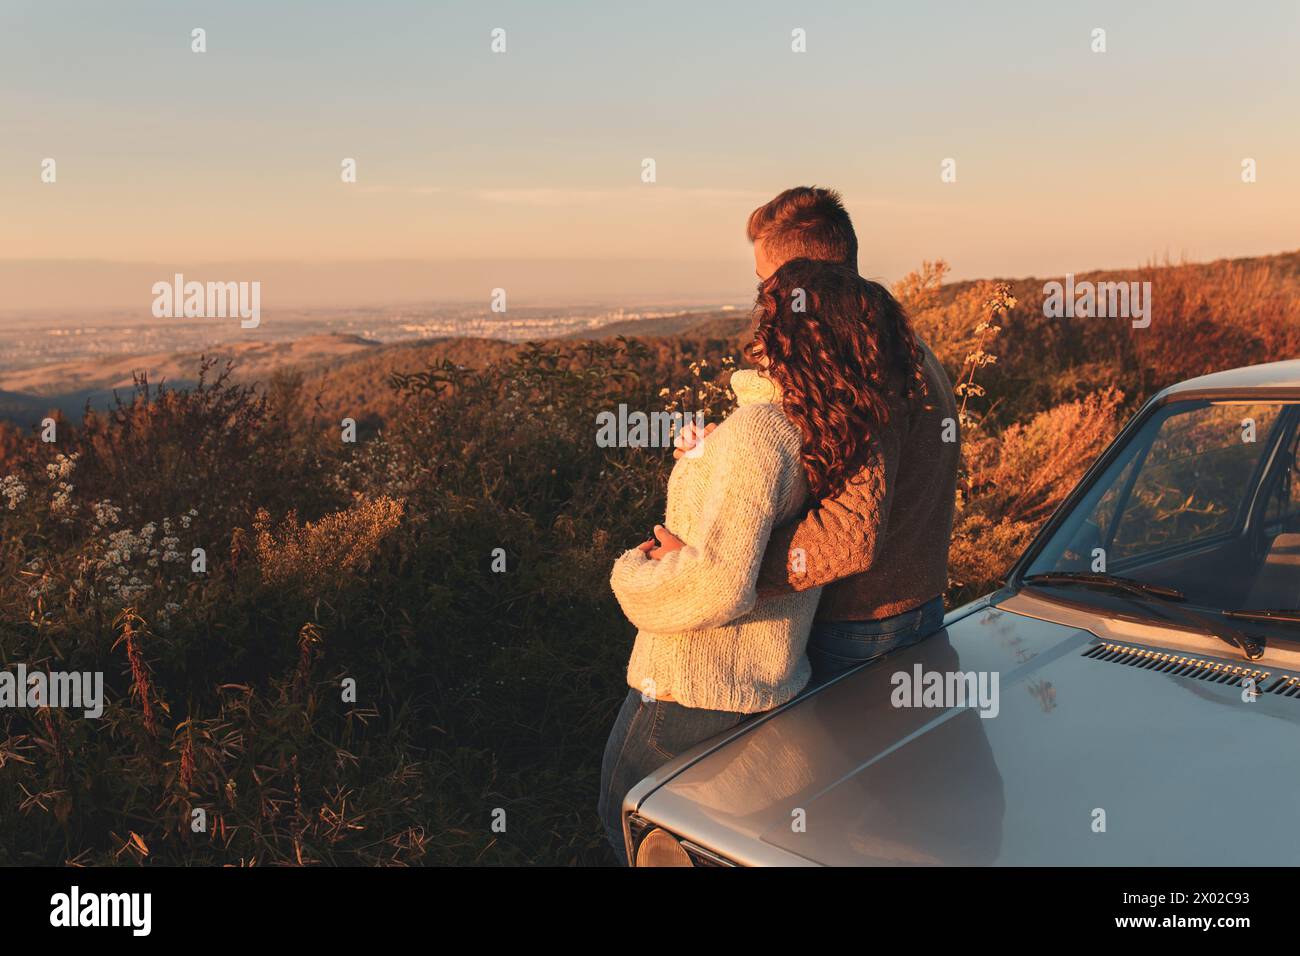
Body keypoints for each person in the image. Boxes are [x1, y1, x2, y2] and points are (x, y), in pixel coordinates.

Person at [598, 253, 931, 864]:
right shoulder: (810, 427)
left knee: (623, 828)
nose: (758, 323)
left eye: (769, 310)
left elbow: (719, 583)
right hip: (763, 678)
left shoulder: (758, 432)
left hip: (687, 682)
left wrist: (630, 573)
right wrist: (703, 462)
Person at [663, 186, 959, 682]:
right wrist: (729, 451)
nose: (764, 303)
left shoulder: (860, 362)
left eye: (766, 283)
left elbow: (847, 537)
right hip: (908, 610)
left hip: (857, 630)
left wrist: (717, 569)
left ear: (799, 281)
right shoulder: (899, 344)